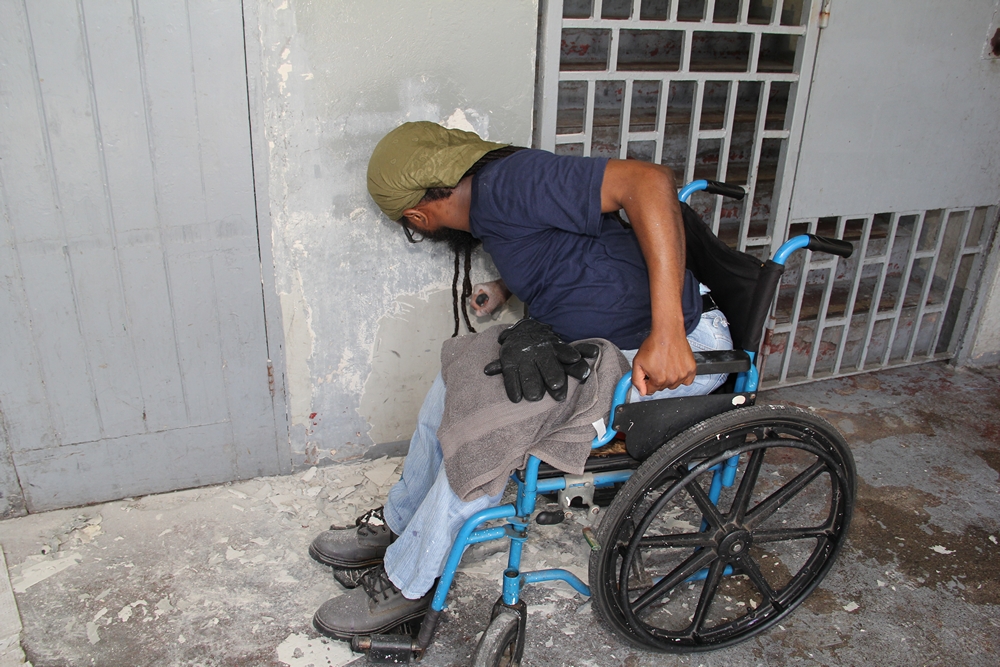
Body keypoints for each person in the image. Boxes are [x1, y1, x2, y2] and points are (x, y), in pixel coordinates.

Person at [310, 121, 733, 639]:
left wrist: (668, 332)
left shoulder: (510, 183)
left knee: (494, 430)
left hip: (673, 349)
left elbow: (649, 181)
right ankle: (401, 522)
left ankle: (410, 581)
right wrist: (507, 285)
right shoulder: (492, 198)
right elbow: (558, 241)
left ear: (417, 216)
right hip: (598, 338)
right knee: (459, 377)